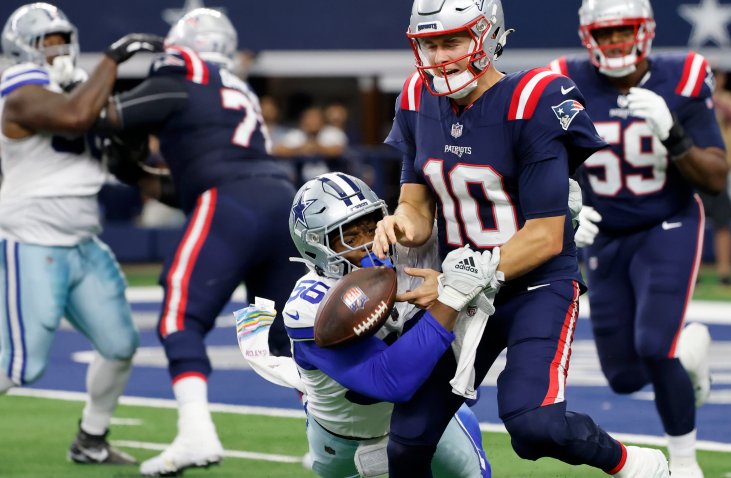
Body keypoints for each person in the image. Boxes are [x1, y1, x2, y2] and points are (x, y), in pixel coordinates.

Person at [372, 0, 670, 476]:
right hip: (457, 285)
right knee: (407, 439)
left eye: (453, 40)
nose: (441, 57)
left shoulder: (535, 99)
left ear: (488, 37)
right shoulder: (414, 96)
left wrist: (456, 284)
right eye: (429, 44)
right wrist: (401, 223)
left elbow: (547, 236)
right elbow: (418, 204)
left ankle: (633, 463)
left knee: (535, 427)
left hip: (535, 284)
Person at [95, 8, 302, 476]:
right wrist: (140, 175)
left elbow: (102, 116)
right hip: (279, 201)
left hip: (231, 200)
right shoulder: (237, 87)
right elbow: (192, 180)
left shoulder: (180, 75)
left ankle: (195, 433)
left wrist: (101, 118)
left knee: (177, 316)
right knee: (291, 334)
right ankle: (338, 437)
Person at [547, 0, 728, 476]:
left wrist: (673, 133)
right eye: (605, 34)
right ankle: (688, 354)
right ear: (589, 37)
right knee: (624, 377)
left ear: (645, 30)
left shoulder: (682, 77)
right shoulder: (565, 82)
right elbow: (539, 160)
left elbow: (715, 178)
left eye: (624, 31)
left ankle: (685, 462)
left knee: (653, 344)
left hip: (667, 222)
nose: (615, 42)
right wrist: (567, 207)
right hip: (603, 234)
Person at [236, 172, 491, 478]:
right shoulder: (311, 306)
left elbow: (484, 247)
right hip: (345, 444)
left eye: (372, 228)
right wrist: (450, 299)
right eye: (351, 237)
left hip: (416, 416)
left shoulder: (412, 251)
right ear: (317, 247)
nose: (371, 244)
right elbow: (391, 380)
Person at [0, 2, 161, 465]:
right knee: (20, 366)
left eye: (60, 39)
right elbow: (73, 117)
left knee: (119, 345)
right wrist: (112, 60)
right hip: (31, 237)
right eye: (44, 42)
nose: (56, 49)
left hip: (83, 238)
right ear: (21, 48)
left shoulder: (76, 87)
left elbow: (114, 140)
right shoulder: (19, 88)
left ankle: (91, 440)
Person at [701, 69, 731, 286]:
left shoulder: (729, 99)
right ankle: (693, 272)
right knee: (693, 222)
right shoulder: (693, 97)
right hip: (696, 168)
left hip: (720, 169)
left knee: (723, 222)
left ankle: (724, 273)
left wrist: (713, 98)